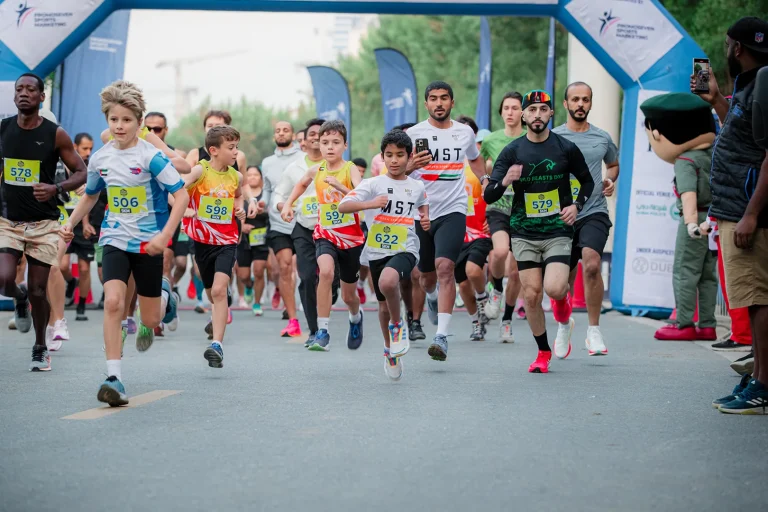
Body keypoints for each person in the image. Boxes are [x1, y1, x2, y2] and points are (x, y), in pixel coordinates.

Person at [61, 80, 187, 405]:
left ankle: (164, 294)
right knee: (114, 302)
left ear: (139, 123)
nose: (119, 126)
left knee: (150, 321)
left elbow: (181, 194)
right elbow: (90, 196)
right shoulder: (101, 158)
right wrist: (70, 224)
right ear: (107, 121)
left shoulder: (151, 157)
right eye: (114, 119)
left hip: (149, 245)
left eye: (127, 120)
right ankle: (114, 378)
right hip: (114, 238)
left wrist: (165, 235)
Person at [484, 90, 594, 374]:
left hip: (558, 228)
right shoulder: (512, 151)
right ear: (523, 115)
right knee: (531, 295)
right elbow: (489, 196)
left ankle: (562, 308)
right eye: (531, 110)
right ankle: (543, 352)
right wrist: (506, 179)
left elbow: (587, 182)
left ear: (550, 114)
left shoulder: (565, 148)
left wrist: (577, 206)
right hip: (523, 231)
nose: (537, 115)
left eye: (542, 110)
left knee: (555, 288)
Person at [695, 16, 768, 414]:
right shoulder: (751, 86)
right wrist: (717, 101)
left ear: (736, 48)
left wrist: (752, 214)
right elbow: (740, 136)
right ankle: (758, 374)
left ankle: (763, 386)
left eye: (727, 45)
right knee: (754, 300)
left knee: (759, 300)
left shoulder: (765, 84)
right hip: (737, 209)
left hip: (748, 213)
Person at [0, 73, 88, 372]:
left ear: (41, 97)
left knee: (40, 288)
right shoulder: (3, 129)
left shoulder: (55, 134)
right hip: (9, 220)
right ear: (15, 96)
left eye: (30, 90)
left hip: (44, 223)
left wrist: (56, 188)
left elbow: (81, 172)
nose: (24, 93)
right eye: (19, 89)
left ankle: (40, 346)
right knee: (4, 279)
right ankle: (19, 298)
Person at [405, 81, 488, 361]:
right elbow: (397, 170)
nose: (438, 103)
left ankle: (441, 335)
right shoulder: (413, 134)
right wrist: (411, 165)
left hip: (453, 209)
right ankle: (430, 297)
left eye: (444, 98)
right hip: (422, 211)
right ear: (426, 104)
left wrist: (485, 179)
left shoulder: (464, 133)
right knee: (426, 276)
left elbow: (475, 160)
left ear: (452, 103)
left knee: (446, 267)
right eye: (433, 99)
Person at [339, 129, 430, 379]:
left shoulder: (416, 186)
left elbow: (423, 201)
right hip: (377, 250)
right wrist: (370, 204)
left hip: (405, 248)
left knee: (388, 281)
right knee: (382, 304)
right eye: (389, 155)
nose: (394, 160)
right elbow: (343, 205)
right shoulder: (373, 184)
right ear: (382, 156)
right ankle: (389, 350)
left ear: (408, 156)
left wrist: (425, 216)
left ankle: (398, 324)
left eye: (400, 155)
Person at [638, 93, 718, 342]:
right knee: (707, 275)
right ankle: (707, 323)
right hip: (714, 220)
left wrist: (692, 223)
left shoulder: (685, 160)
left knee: (685, 271)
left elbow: (688, 194)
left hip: (693, 224)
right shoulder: (713, 154)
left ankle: (684, 322)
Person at [549, 82, 620, 355]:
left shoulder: (602, 138)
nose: (581, 104)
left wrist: (609, 179)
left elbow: (613, 165)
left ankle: (593, 331)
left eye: (586, 100)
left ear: (591, 103)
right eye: (575, 99)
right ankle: (564, 324)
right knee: (559, 283)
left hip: (593, 210)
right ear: (566, 104)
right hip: (561, 215)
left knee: (591, 264)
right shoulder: (552, 137)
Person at [281, 120, 364, 351]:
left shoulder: (350, 169)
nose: (329, 147)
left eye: (335, 143)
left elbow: (361, 197)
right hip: (325, 233)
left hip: (350, 238)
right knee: (325, 272)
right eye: (325, 142)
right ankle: (322, 331)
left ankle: (355, 317)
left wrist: (341, 187)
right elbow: (300, 184)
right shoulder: (316, 169)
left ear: (344, 145)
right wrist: (288, 204)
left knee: (349, 295)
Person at [183, 125, 252, 368]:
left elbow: (237, 196)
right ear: (214, 150)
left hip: (226, 240)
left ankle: (217, 345)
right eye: (231, 147)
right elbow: (177, 189)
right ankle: (218, 305)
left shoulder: (236, 176)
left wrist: (240, 209)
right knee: (212, 291)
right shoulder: (200, 171)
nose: (236, 152)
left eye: (237, 147)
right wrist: (185, 209)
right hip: (202, 240)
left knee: (220, 291)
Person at [275, 118, 338, 347]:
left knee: (331, 278)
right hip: (304, 228)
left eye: (320, 135)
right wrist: (285, 206)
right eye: (312, 134)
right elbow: (279, 195)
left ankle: (333, 287)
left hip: (334, 228)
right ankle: (314, 330)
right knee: (308, 277)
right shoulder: (294, 169)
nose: (315, 138)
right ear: (306, 140)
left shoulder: (341, 165)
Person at [480, 92, 526, 339]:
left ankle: (507, 319)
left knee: (517, 270)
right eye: (506, 107)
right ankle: (496, 288)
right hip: (498, 205)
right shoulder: (491, 140)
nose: (510, 112)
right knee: (499, 252)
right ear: (501, 113)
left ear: (523, 112)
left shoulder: (532, 137)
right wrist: (487, 180)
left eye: (515, 107)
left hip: (524, 208)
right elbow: (480, 168)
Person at [263, 120, 304, 337]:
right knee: (285, 266)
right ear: (274, 136)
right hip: (278, 221)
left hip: (303, 221)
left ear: (293, 134)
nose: (281, 133)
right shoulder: (267, 162)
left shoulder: (303, 159)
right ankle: (293, 318)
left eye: (285, 130)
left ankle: (309, 304)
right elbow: (267, 190)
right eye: (277, 130)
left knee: (306, 270)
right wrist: (261, 202)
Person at [456, 116, 492, 341]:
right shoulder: (444, 164)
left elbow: (494, 191)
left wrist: (492, 215)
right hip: (455, 231)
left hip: (480, 230)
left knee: (473, 270)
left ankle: (483, 298)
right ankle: (476, 322)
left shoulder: (482, 164)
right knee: (462, 284)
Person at [60, 132, 97, 321]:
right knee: (62, 265)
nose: (88, 152)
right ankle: (70, 282)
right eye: (85, 148)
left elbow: (89, 198)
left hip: (83, 224)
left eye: (91, 148)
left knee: (84, 268)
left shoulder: (92, 167)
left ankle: (81, 305)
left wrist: (86, 223)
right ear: (74, 147)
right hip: (63, 222)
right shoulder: (59, 166)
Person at [236, 165, 269, 316]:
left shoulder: (265, 194)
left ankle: (256, 303)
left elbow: (273, 210)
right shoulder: (241, 193)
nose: (252, 177)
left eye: (256, 175)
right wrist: (241, 227)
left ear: (261, 178)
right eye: (249, 175)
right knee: (243, 275)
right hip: (243, 239)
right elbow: (234, 212)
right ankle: (249, 286)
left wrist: (264, 209)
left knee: (259, 271)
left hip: (261, 238)